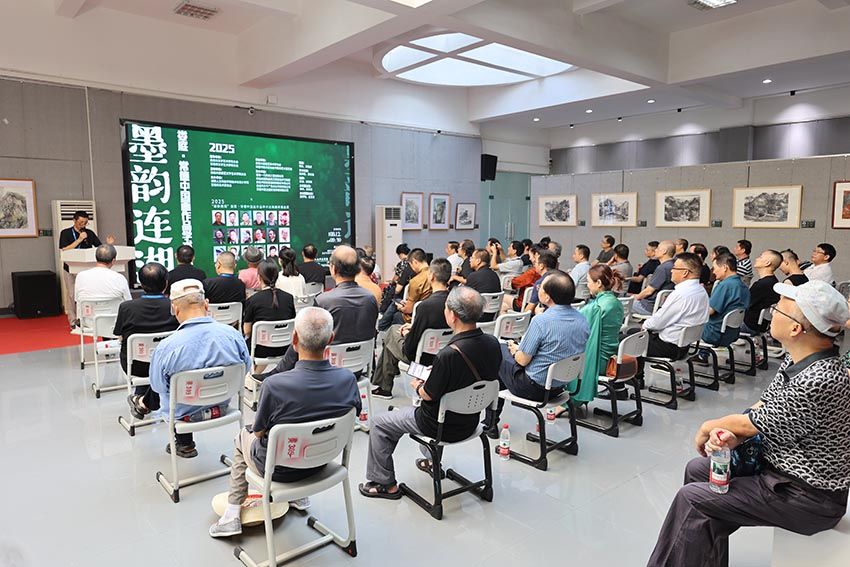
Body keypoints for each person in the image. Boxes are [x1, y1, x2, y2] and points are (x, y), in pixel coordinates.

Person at [647, 280, 850, 567]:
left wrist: (711, 427)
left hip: (806, 497)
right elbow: (764, 407)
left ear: (796, 329)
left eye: (779, 309)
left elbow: (754, 422)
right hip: (779, 473)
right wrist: (735, 433)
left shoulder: (820, 379)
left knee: (693, 499)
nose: (772, 312)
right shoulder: (801, 361)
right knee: (698, 470)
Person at [209, 306, 361, 537]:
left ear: (294, 339)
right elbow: (352, 417)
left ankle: (231, 515)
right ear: (331, 339)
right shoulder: (348, 380)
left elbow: (259, 433)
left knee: (242, 437)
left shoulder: (275, 385)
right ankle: (299, 497)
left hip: (280, 470)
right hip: (322, 462)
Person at [359, 287, 501, 499]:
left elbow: (428, 395)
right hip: (471, 422)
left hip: (438, 425)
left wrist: (417, 386)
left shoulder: (448, 355)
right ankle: (431, 461)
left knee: (380, 423)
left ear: (452, 315)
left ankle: (384, 484)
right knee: (441, 406)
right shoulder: (492, 343)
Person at [146, 279, 252, 458]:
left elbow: (157, 386)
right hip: (222, 407)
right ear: (207, 304)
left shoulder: (166, 347)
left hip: (184, 416)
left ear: (174, 309)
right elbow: (245, 369)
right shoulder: (233, 335)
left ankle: (184, 443)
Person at [485, 271, 589, 434]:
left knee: (497, 350)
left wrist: (515, 350)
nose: (537, 288)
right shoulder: (582, 319)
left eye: (540, 287)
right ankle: (491, 421)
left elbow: (522, 361)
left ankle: (490, 423)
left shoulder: (541, 322)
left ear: (547, 297)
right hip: (561, 386)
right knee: (506, 363)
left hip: (535, 388)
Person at [257, 245, 379, 377]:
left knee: (303, 334)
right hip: (359, 367)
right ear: (358, 269)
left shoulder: (325, 301)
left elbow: (310, 337)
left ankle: (278, 372)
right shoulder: (370, 298)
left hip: (328, 369)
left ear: (333, 269)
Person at [371, 259, 451, 399]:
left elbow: (411, 346)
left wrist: (407, 333)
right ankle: (384, 386)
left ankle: (384, 387)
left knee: (392, 332)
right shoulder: (454, 301)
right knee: (393, 336)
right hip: (444, 354)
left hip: (422, 357)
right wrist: (413, 327)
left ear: (431, 276)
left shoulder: (424, 307)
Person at [555, 265, 624, 413]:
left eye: (588, 281)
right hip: (611, 356)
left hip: (599, 361)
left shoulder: (596, 307)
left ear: (598, 283)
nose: (587, 285)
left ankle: (569, 400)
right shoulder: (616, 302)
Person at [116, 263, 179, 419]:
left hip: (136, 366)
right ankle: (147, 398)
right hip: (169, 364)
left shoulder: (126, 307)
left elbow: (119, 335)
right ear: (166, 283)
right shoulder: (175, 306)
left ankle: (143, 397)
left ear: (141, 283)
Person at [637, 253, 709, 386]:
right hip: (685, 345)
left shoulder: (681, 294)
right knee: (636, 334)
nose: (671, 271)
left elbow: (658, 322)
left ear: (685, 272)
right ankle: (637, 378)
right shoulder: (701, 290)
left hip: (668, 347)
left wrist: (645, 325)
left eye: (674, 268)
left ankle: (635, 380)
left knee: (629, 338)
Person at [58, 210, 116, 326]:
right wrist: (79, 239)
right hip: (70, 268)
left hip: (86, 269)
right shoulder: (66, 233)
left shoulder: (89, 233)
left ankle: (87, 318)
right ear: (74, 221)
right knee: (72, 294)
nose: (83, 225)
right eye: (81, 222)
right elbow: (64, 249)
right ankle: (73, 320)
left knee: (88, 293)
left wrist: (109, 244)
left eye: (85, 223)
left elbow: (100, 249)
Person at [243, 260, 296, 360]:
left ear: (259, 277)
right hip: (285, 348)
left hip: (260, 349)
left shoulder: (253, 300)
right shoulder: (289, 298)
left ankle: (255, 370)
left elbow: (247, 331)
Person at [701, 253, 750, 347]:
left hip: (713, 333)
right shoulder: (743, 286)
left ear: (724, 267)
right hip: (732, 333)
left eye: (715, 268)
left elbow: (709, 311)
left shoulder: (724, 285)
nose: (713, 272)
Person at [385, 248, 432, 329]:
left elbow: (409, 310)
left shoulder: (416, 281)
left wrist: (401, 308)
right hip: (430, 314)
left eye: (410, 265)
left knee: (396, 315)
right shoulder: (434, 274)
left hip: (416, 316)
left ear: (414, 262)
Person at [743, 250, 782, 334]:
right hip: (762, 325)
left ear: (767, 263)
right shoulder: (774, 282)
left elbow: (745, 304)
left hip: (749, 325)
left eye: (760, 257)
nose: (757, 258)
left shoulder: (761, 285)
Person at [632, 240, 676, 316]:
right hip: (661, 306)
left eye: (658, 248)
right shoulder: (674, 265)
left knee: (619, 304)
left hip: (648, 306)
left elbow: (649, 291)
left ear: (664, 251)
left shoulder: (662, 268)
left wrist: (636, 296)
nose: (655, 250)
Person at [465, 248, 501, 321]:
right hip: (492, 316)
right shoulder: (495, 275)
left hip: (476, 316)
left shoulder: (473, 276)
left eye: (472, 257)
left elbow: (464, 298)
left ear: (478, 261)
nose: (470, 260)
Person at [510, 244, 543, 311]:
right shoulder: (544, 272)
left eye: (530, 256)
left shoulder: (532, 272)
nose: (529, 258)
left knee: (503, 300)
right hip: (537, 305)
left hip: (524, 304)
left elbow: (515, 283)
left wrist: (512, 279)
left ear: (536, 255)